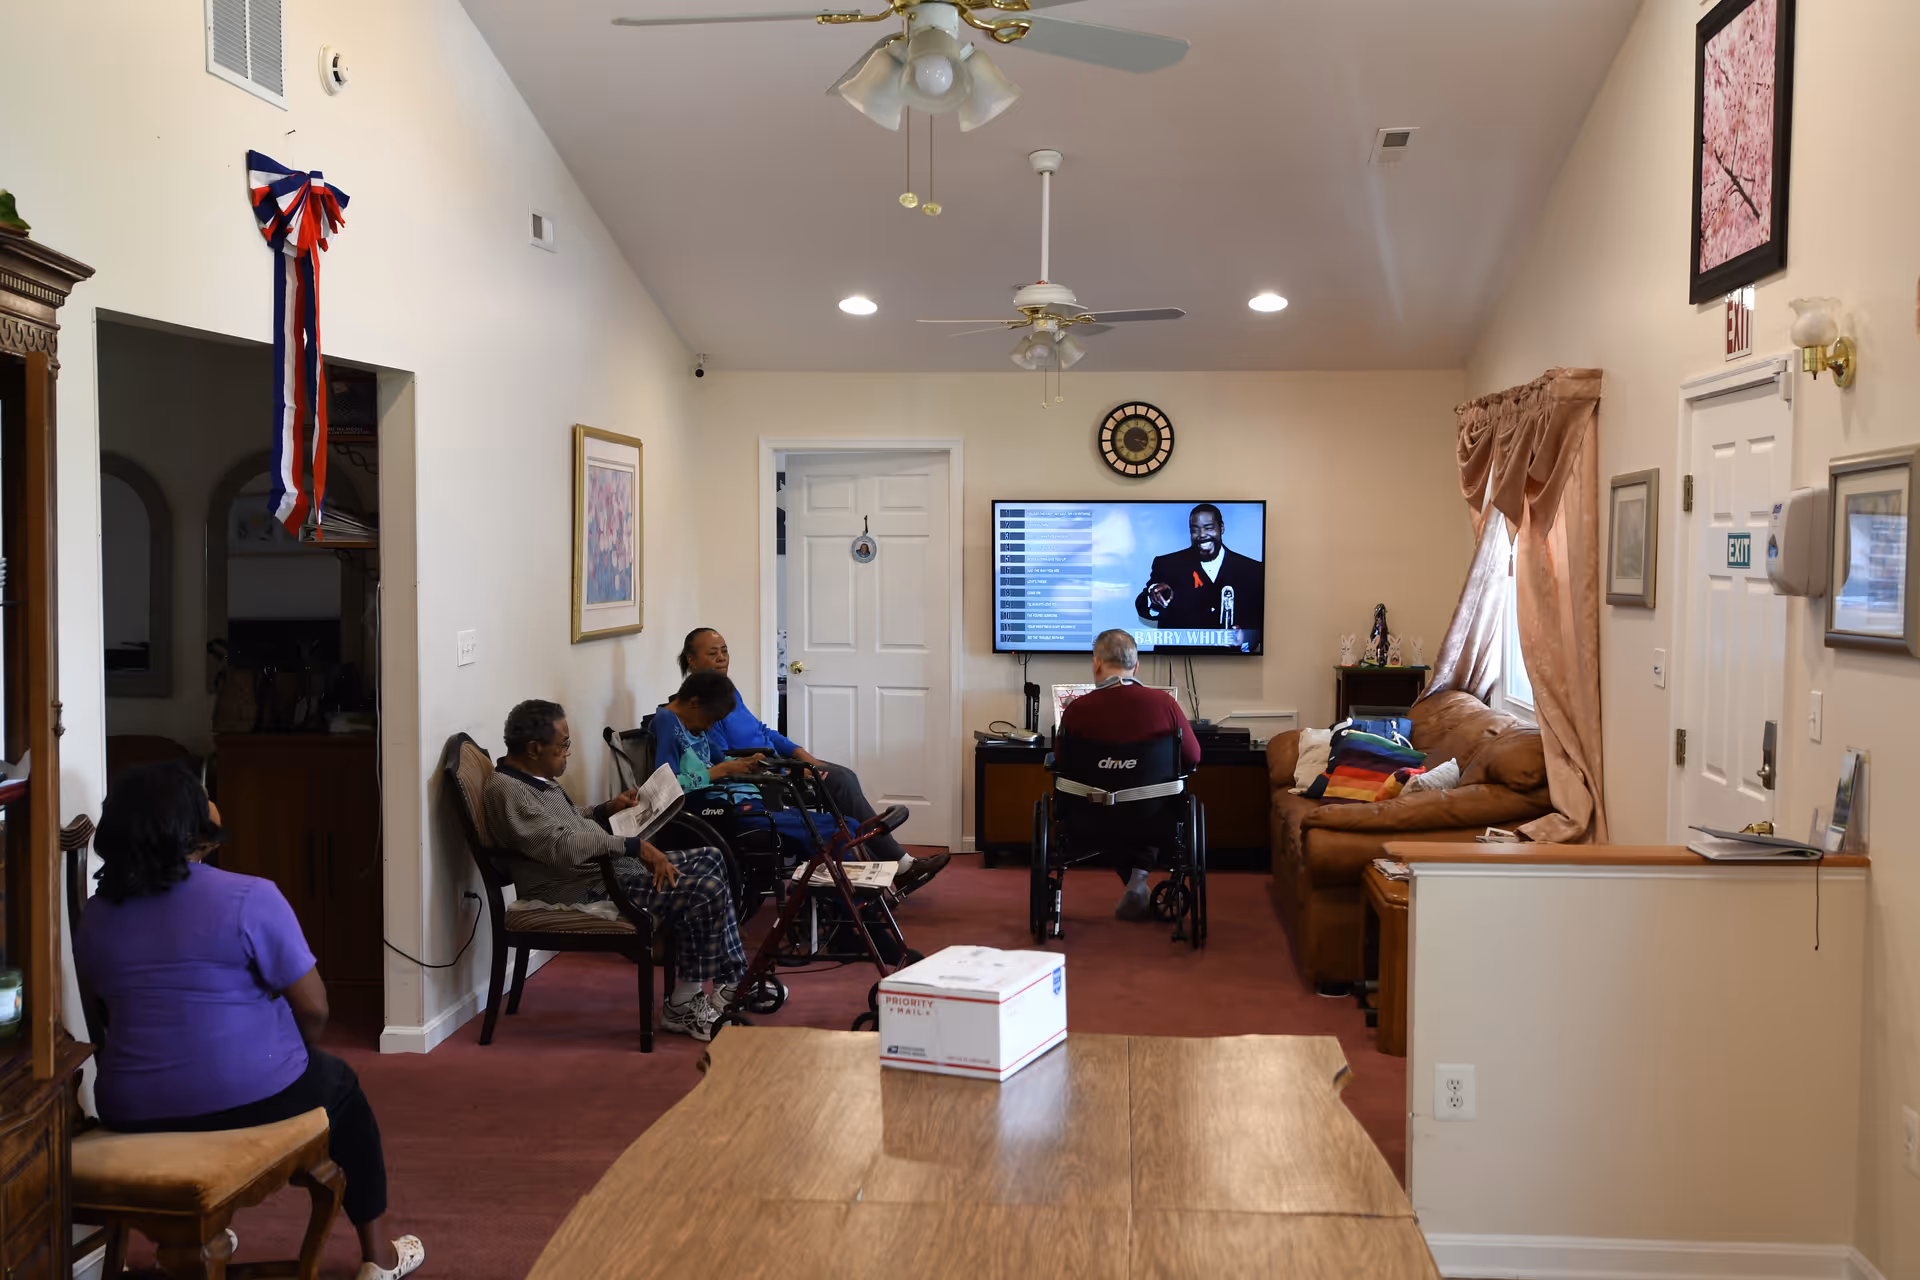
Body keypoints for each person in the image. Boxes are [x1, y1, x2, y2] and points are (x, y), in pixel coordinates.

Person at [74, 763, 424, 1280]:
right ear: (189, 825)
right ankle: (379, 1257)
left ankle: (193, 1232)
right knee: (342, 1086)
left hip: (132, 1106)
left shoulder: (96, 914)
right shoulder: (250, 896)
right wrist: (288, 1054)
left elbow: (109, 1009)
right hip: (256, 1094)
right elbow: (315, 1007)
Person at [483, 699, 745, 1041]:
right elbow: (559, 845)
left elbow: (570, 820)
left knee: (710, 857)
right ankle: (682, 1006)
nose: (569, 753)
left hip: (607, 872)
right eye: (563, 745)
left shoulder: (535, 778)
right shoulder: (509, 791)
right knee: (704, 891)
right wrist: (633, 846)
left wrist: (608, 808)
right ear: (534, 748)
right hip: (582, 890)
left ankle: (729, 980)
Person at [673, 628, 950, 894]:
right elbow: (723, 756)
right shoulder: (701, 707)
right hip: (763, 776)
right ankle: (897, 868)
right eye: (713, 653)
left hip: (779, 762)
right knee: (840, 782)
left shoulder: (729, 693)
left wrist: (804, 756)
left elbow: (764, 731)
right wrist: (788, 768)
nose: (722, 658)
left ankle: (888, 866)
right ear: (692, 659)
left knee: (841, 774)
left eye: (724, 651)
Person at [1056, 628, 1201, 921]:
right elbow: (1193, 758)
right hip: (1153, 816)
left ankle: (1136, 885)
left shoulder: (1076, 710)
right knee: (1144, 809)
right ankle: (1137, 883)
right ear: (1137, 666)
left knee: (1113, 815)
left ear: (1096, 664)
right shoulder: (1166, 705)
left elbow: (1061, 761)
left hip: (1089, 818)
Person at [1133, 503, 1265, 634]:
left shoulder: (1252, 570)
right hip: (1177, 655)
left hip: (1232, 655)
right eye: (1195, 530)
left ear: (1221, 528)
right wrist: (1154, 596)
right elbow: (1143, 606)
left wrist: (1245, 640)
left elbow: (1259, 623)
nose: (1201, 535)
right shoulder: (1167, 564)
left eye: (1208, 528)